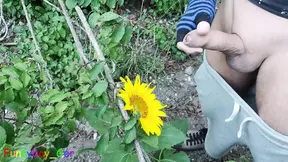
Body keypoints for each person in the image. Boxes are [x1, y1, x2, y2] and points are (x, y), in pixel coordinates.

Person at [174, 0, 288, 159]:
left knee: (274, 149)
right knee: (220, 110)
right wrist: (201, 3)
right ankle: (211, 137)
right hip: (230, 27)